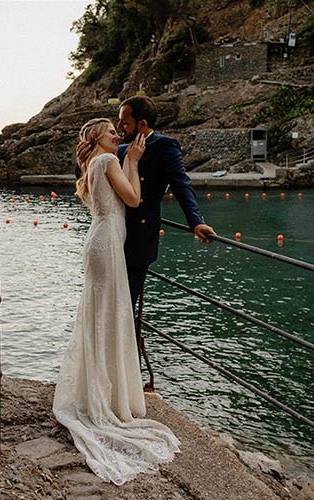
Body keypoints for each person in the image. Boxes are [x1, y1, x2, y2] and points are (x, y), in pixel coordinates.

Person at [53, 118, 180, 485]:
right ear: (95, 138)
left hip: (101, 240)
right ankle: (107, 399)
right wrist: (136, 161)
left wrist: (128, 162)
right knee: (110, 314)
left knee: (102, 315)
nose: (117, 137)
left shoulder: (94, 164)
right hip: (107, 242)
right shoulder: (107, 162)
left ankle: (102, 390)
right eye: (111, 133)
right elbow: (134, 198)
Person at [76, 96, 215, 375]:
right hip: (111, 237)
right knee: (107, 309)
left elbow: (181, 183)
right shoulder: (118, 149)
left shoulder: (164, 146)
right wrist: (83, 153)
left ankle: (119, 378)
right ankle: (107, 377)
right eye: (116, 125)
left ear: (141, 123)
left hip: (137, 240)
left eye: (124, 122)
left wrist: (195, 222)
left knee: (124, 308)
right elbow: (94, 174)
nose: (119, 128)